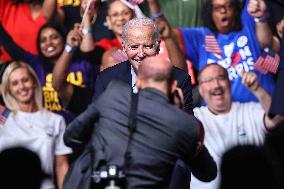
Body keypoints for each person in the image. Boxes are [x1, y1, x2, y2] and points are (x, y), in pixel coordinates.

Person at [64, 56, 217, 189]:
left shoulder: (113, 93)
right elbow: (208, 173)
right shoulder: (187, 125)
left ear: (138, 82)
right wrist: (180, 111)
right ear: (173, 87)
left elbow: (71, 137)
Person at [149, 0, 278, 103]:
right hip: (219, 120)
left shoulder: (247, 24)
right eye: (217, 8)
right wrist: (154, 6)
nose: (223, 11)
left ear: (236, 9)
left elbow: (267, 41)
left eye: (228, 6)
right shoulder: (201, 37)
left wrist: (260, 15)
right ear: (210, 12)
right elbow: (167, 32)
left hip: (263, 112)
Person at [191, 63, 284, 189]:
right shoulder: (194, 117)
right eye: (209, 80)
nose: (217, 85)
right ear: (200, 90)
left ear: (229, 83)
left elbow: (275, 119)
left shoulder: (250, 110)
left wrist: (257, 89)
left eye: (221, 78)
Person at [0, 18, 100, 123]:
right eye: (43, 40)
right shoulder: (35, 64)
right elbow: (10, 46)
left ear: (64, 39)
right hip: (48, 128)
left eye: (54, 37)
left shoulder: (84, 63)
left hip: (85, 125)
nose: (49, 43)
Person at [93, 17, 192, 113]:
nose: (141, 54)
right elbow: (96, 119)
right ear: (124, 47)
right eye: (134, 47)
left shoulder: (180, 79)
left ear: (158, 47)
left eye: (147, 46)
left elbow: (187, 125)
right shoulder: (106, 79)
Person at [0, 62, 72, 189]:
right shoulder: (3, 120)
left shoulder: (55, 120)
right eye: (15, 83)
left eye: (25, 80)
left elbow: (61, 166)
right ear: (8, 89)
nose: (22, 86)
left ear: (33, 81)